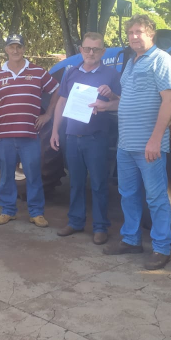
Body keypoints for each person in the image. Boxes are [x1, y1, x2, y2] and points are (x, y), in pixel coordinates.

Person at [92, 15, 171, 270]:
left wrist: (155, 140)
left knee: (156, 197)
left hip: (148, 145)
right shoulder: (130, 63)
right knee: (127, 194)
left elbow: (169, 101)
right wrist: (106, 105)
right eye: (130, 32)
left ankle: (161, 248)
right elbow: (125, 101)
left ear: (150, 33)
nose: (133, 36)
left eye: (138, 31)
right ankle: (130, 240)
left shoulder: (162, 60)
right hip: (126, 144)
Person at [50, 32, 121, 245]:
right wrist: (55, 131)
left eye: (96, 49)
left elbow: (121, 103)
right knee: (76, 182)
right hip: (72, 136)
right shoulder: (71, 73)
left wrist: (110, 98)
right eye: (87, 48)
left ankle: (100, 227)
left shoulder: (111, 75)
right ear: (81, 49)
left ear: (103, 52)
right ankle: (75, 221)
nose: (91, 53)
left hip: (96, 138)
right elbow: (61, 103)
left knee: (99, 183)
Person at [0, 34, 59, 227]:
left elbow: (57, 91)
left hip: (30, 136)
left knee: (33, 174)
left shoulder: (38, 72)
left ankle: (36, 213)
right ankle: (8, 211)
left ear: (24, 49)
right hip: (5, 137)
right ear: (6, 49)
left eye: (19, 47)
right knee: (7, 175)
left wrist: (48, 115)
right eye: (11, 47)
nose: (15, 50)